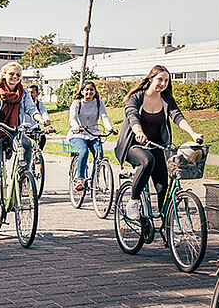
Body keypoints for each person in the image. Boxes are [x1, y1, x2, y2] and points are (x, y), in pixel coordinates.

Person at [113, 65, 203, 219]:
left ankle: (167, 230)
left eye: (166, 80)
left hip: (157, 145)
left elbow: (178, 117)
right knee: (148, 161)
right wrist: (139, 132)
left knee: (163, 188)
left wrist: (193, 134)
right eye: (160, 79)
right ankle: (133, 202)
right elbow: (132, 116)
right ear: (150, 79)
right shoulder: (136, 97)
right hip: (133, 144)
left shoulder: (166, 99)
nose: (163, 83)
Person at [0, 62, 50, 229]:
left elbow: (31, 110)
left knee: (26, 144)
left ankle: (22, 177)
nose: (15, 77)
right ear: (4, 74)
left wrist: (42, 120)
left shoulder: (23, 93)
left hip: (12, 130)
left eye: (18, 75)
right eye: (12, 74)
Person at [68, 80, 115, 190]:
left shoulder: (99, 103)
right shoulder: (77, 103)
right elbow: (72, 118)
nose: (89, 92)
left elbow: (104, 117)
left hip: (94, 133)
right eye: (87, 90)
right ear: (82, 91)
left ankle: (93, 180)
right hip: (78, 134)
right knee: (83, 151)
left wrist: (110, 128)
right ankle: (80, 179)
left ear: (95, 91)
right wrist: (76, 127)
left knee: (99, 156)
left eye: (91, 89)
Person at [26, 84, 53, 150]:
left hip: (33, 127)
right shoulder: (23, 103)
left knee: (42, 137)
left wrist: (49, 126)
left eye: (32, 92)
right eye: (28, 92)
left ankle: (37, 154)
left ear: (37, 94)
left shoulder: (40, 104)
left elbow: (44, 114)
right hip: (23, 128)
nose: (30, 94)